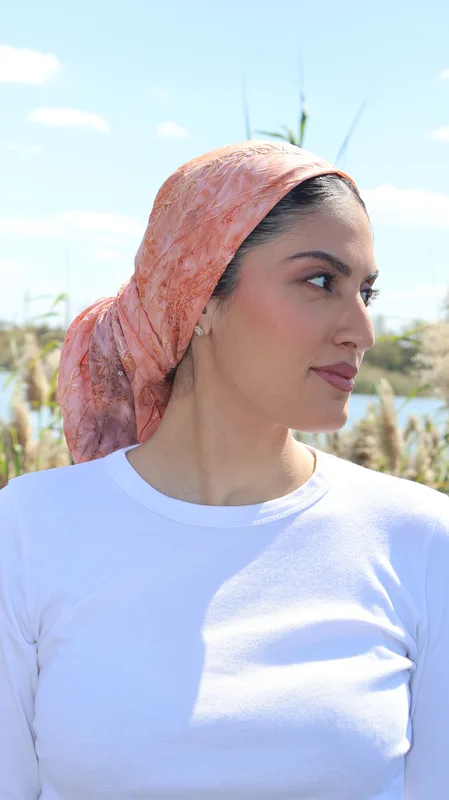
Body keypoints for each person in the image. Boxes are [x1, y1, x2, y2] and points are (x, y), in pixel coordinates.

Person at [1, 140, 448, 800]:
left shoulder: (420, 537)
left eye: (366, 292)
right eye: (320, 281)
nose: (361, 330)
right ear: (201, 296)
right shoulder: (28, 529)